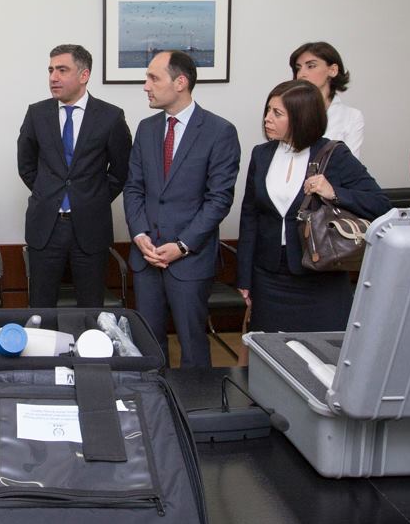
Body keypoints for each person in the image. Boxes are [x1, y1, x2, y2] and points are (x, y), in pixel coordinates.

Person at [236, 80, 391, 333]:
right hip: (268, 276)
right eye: (268, 110)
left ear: (301, 117)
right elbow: (250, 215)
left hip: (319, 276)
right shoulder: (261, 154)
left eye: (277, 113)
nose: (267, 119)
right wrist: (244, 276)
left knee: (321, 351)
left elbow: (380, 204)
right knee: (269, 349)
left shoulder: (334, 154)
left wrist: (333, 193)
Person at [123, 50, 240, 369]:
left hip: (190, 261)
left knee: (192, 346)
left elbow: (219, 199)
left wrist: (183, 245)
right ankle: (154, 398)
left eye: (153, 78)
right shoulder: (146, 129)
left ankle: (197, 401)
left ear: (180, 82)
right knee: (148, 346)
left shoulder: (219, 131)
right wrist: (139, 234)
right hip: (146, 258)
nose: (146, 86)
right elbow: (133, 187)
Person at [17, 44, 132, 307]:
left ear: (84, 75)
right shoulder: (37, 113)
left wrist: (92, 198)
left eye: (62, 70)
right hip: (45, 226)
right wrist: (49, 194)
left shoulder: (111, 116)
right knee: (41, 306)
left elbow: (121, 171)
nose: (53, 77)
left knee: (91, 307)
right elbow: (26, 165)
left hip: (90, 227)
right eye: (50, 70)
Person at [289, 41, 365, 158]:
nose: (301, 75)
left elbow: (350, 165)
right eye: (298, 68)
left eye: (311, 66)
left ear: (333, 70)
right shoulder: (288, 111)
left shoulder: (352, 117)